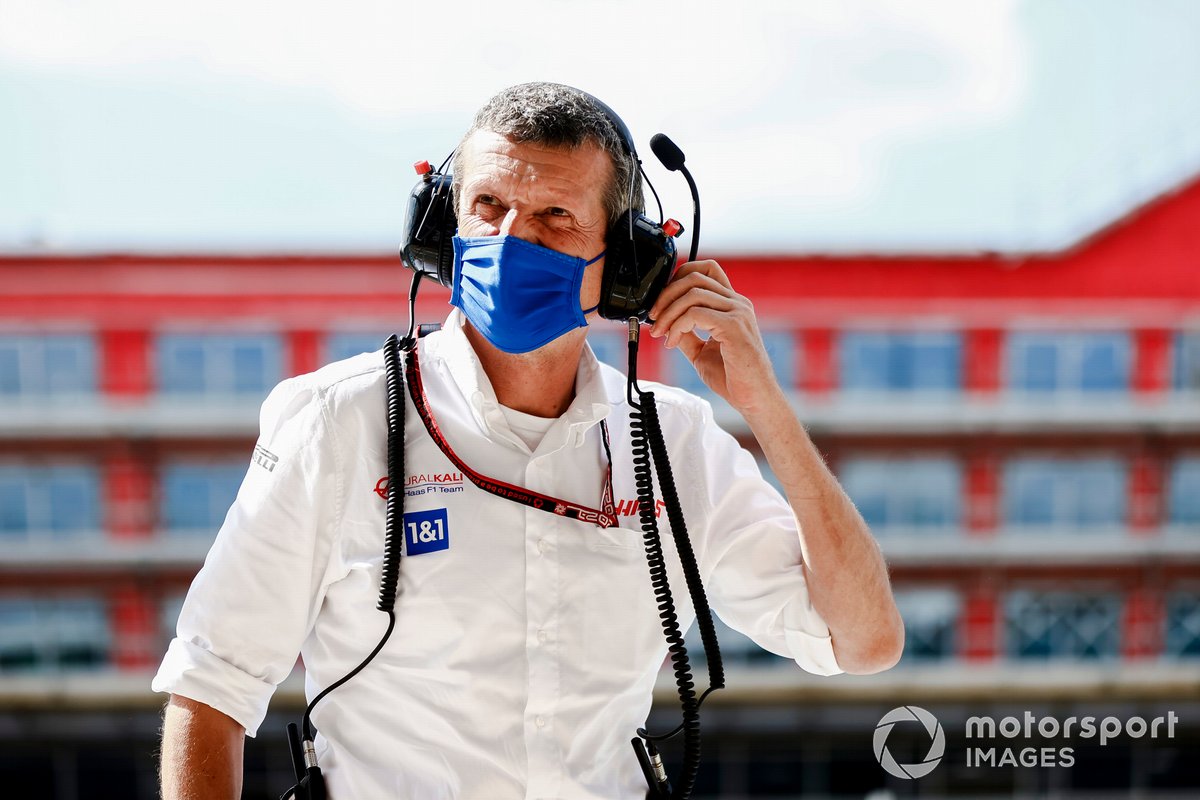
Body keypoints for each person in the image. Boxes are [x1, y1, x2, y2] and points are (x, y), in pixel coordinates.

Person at [154, 82, 904, 800]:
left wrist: (764, 405)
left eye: (554, 216)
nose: (513, 240)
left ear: (626, 263)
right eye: (487, 206)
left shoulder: (672, 440)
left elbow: (863, 640)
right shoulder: (336, 419)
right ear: (441, 228)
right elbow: (210, 685)